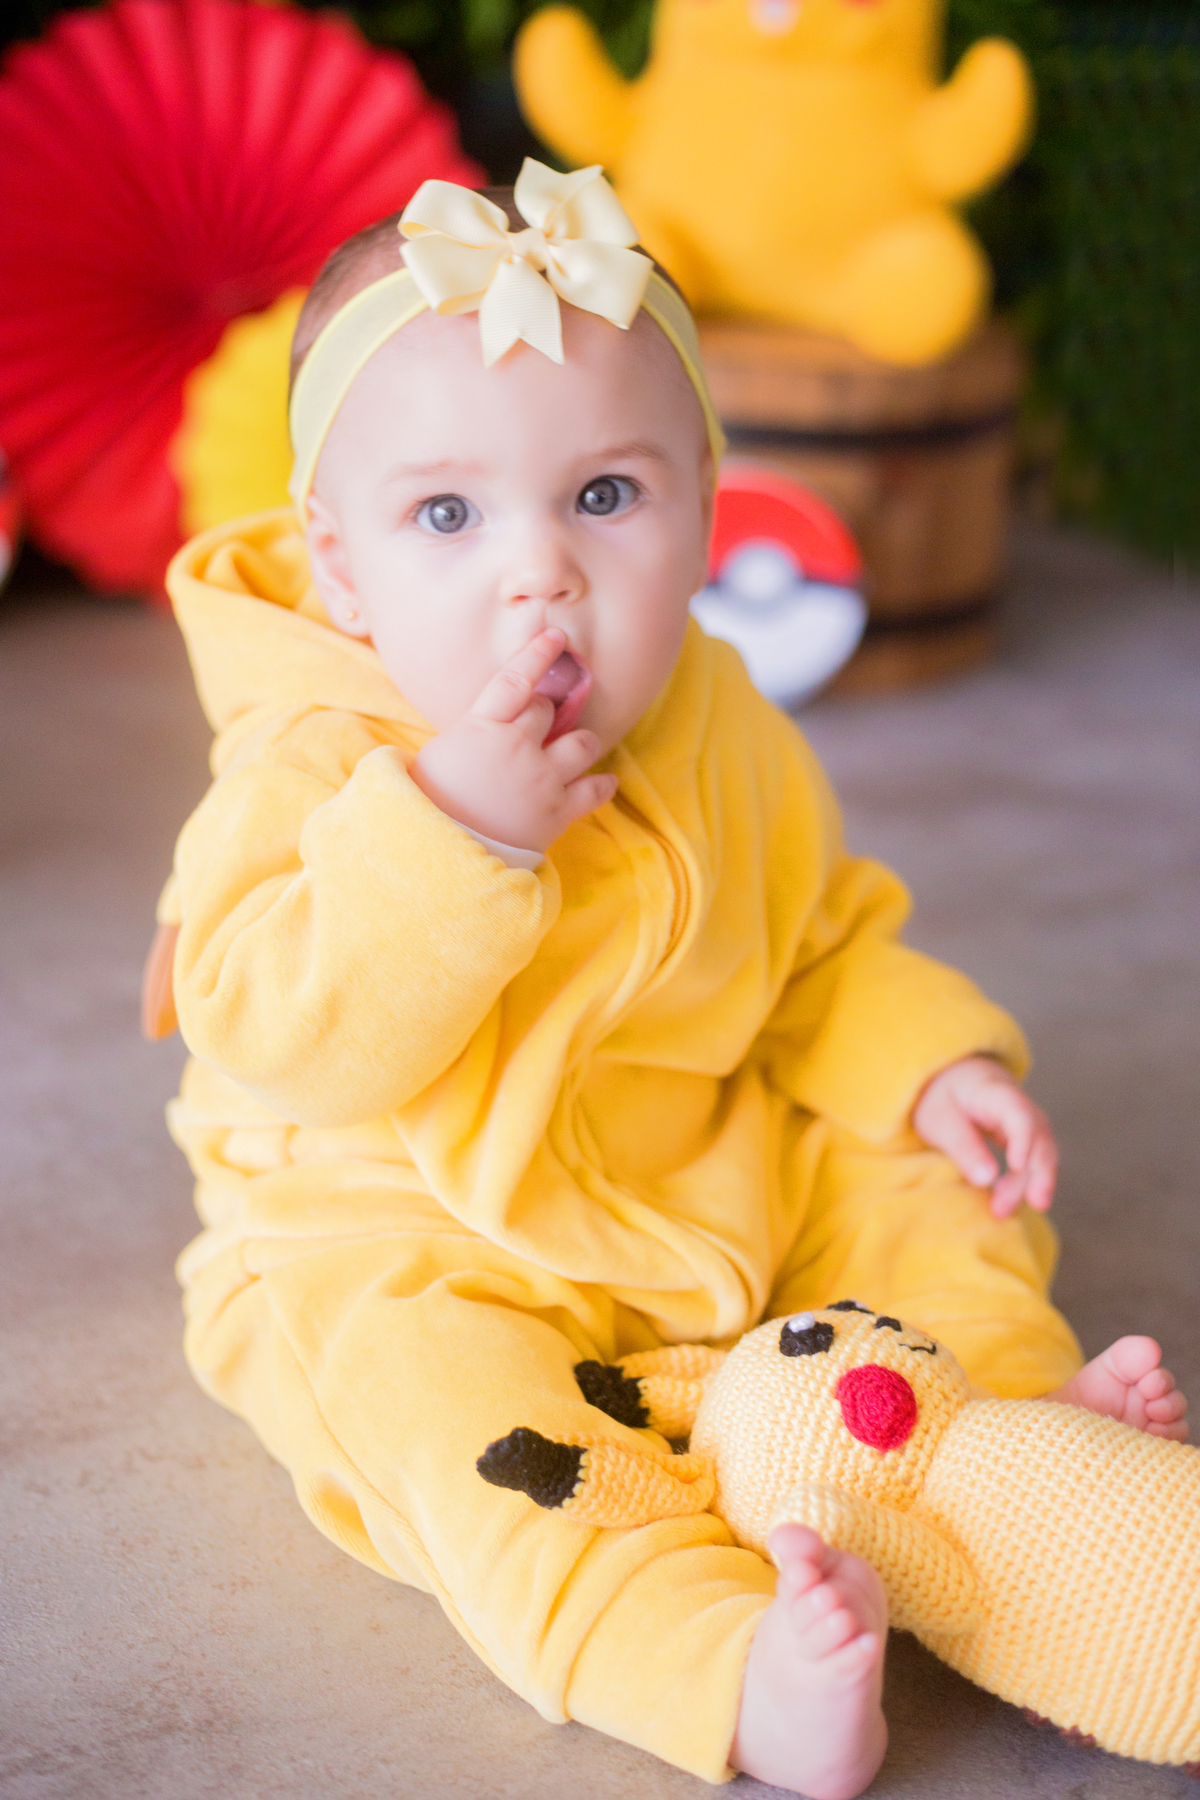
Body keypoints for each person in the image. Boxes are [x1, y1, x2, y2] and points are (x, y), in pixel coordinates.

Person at [158, 164, 1187, 1798]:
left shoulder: (716, 721)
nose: (538, 575)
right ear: (339, 567)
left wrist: (924, 1067)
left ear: (708, 507)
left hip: (703, 1158)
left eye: (606, 498)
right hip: (416, 1225)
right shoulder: (310, 759)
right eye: (448, 516)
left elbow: (815, 944)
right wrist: (446, 841)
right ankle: (729, 1669)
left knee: (926, 1175)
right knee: (458, 1434)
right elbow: (273, 1033)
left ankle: (1005, 1446)